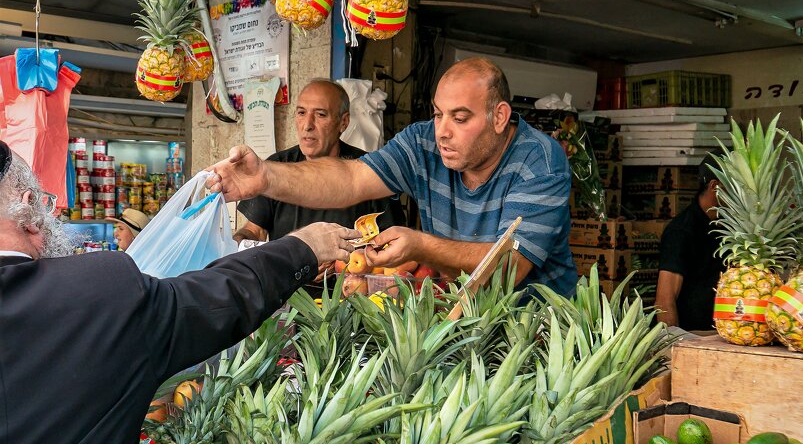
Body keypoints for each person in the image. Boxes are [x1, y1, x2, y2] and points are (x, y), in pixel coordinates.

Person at [0, 141, 356, 444]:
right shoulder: (95, 295)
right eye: (47, 202)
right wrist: (302, 249)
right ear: (28, 211)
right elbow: (211, 300)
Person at [209, 57, 577, 295]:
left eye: (460, 118)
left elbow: (509, 267)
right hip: (463, 318)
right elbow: (351, 179)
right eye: (438, 115)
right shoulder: (422, 143)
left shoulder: (539, 161)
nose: (443, 132)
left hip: (537, 330)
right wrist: (265, 177)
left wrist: (420, 245)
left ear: (499, 117)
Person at [233, 78, 399, 243]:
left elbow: (389, 242)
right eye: (301, 113)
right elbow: (255, 230)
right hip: (288, 268)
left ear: (343, 122)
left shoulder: (369, 170)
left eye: (320, 115)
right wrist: (237, 243)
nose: (307, 125)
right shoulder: (277, 167)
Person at [655, 154, 726, 330]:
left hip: (727, 337)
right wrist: (675, 347)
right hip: (693, 337)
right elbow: (664, 300)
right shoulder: (682, 231)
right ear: (715, 187)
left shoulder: (731, 228)